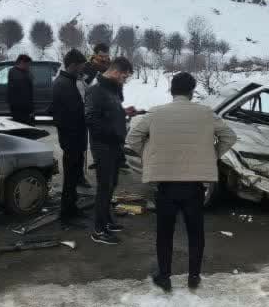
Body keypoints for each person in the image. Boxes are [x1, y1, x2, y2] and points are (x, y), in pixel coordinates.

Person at [126, 72, 237, 291]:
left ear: (172, 90)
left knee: (164, 233)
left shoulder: (156, 114)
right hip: (194, 187)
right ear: (192, 91)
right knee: (196, 232)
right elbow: (230, 137)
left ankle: (164, 276)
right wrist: (211, 155)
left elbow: (133, 138)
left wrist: (149, 156)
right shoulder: (207, 114)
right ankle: (194, 277)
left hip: (165, 186)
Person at [84, 55, 132, 245]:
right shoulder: (96, 90)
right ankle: (98, 229)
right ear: (115, 72)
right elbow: (91, 120)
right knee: (104, 187)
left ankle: (107, 220)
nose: (125, 80)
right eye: (124, 77)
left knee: (112, 184)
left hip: (114, 144)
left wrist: (124, 112)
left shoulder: (111, 88)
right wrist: (113, 133)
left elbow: (110, 110)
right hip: (103, 145)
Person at [50, 49, 88, 226]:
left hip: (73, 138)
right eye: (81, 66)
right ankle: (67, 212)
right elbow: (74, 114)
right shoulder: (64, 84)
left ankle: (71, 207)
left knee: (73, 176)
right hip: (71, 138)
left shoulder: (66, 81)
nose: (82, 70)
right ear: (73, 65)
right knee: (70, 177)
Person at [8, 54, 35, 125]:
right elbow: (22, 92)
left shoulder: (24, 72)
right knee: (23, 127)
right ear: (22, 62)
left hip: (24, 107)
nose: (29, 66)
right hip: (20, 107)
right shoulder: (15, 73)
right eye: (28, 64)